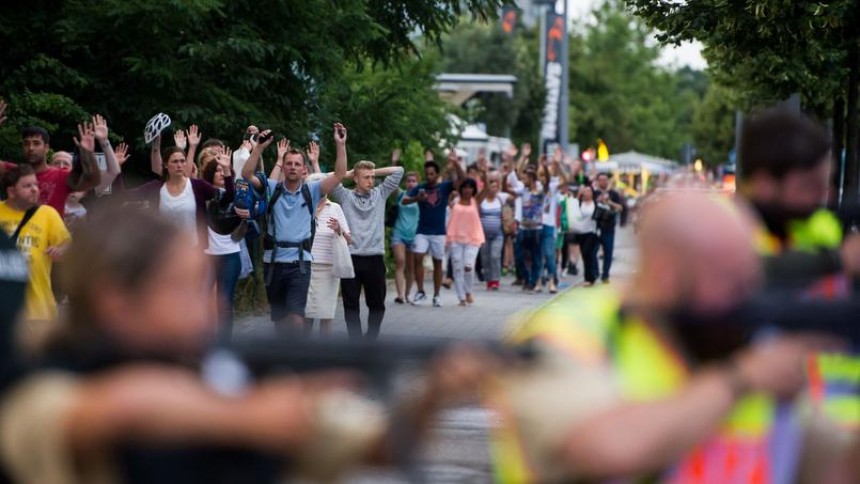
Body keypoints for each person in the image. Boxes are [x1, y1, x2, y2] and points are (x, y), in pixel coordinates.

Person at [0, 206, 490, 484]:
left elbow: (378, 448)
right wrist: (245, 417)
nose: (208, 306)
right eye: (183, 288)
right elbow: (117, 406)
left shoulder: (222, 372)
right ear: (115, 300)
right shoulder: (41, 381)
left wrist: (433, 395)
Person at [489, 192, 847, 483]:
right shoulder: (567, 331)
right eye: (731, 283)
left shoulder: (732, 342)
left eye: (751, 281)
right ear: (665, 274)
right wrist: (740, 379)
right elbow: (601, 448)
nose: (747, 299)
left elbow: (829, 461)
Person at [738, 109, 860, 432]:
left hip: (837, 431)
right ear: (764, 184)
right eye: (810, 186)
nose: (825, 196)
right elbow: (743, 281)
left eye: (827, 183)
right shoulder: (724, 230)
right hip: (759, 430)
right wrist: (836, 261)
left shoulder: (821, 227)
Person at [242, 126, 347, 332]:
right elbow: (246, 174)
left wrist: (340, 144)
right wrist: (259, 149)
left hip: (300, 263)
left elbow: (340, 174)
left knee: (297, 318)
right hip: (273, 262)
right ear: (284, 167)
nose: (292, 167)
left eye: (297, 164)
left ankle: (297, 359)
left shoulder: (312, 191)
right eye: (288, 163)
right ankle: (285, 359)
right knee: (280, 322)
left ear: (303, 169)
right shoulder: (272, 188)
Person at [0, 165, 70, 352]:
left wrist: (62, 250)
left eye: (36, 185)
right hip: (4, 310)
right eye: (27, 186)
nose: (35, 189)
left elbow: (68, 245)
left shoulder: (47, 214)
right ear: (11, 191)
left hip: (39, 310)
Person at [332, 160, 403, 339]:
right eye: (366, 177)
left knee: (377, 304)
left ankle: (371, 339)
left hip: (375, 257)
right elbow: (326, 179)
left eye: (372, 177)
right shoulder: (345, 196)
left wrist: (372, 170)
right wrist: (348, 174)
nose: (371, 181)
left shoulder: (380, 194)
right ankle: (355, 342)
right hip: (351, 258)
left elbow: (399, 171)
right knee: (350, 304)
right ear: (356, 179)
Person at [130, 143, 234, 250]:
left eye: (182, 161)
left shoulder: (198, 186)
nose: (179, 165)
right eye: (175, 161)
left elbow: (228, 197)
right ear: (166, 164)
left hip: (193, 251)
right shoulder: (156, 188)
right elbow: (123, 195)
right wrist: (115, 171)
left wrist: (226, 170)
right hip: (164, 253)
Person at [403, 151, 465, 307]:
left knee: (438, 262)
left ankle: (437, 295)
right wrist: (417, 198)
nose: (429, 176)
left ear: (437, 174)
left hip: (439, 232)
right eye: (427, 173)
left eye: (431, 174)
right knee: (418, 257)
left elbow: (463, 181)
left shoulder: (444, 187)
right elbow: (404, 200)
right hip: (422, 231)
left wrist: (456, 163)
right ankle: (421, 291)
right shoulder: (420, 188)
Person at [200, 152, 242, 340]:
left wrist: (226, 169)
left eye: (222, 171)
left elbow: (231, 192)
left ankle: (224, 344)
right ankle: (204, 340)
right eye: (216, 170)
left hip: (230, 255)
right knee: (202, 300)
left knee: (223, 302)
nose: (219, 173)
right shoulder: (203, 195)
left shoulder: (231, 194)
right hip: (207, 256)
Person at [17, 123, 101, 218]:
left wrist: (88, 153)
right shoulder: (14, 174)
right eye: (26, 143)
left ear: (46, 147)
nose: (31, 148)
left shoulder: (61, 176)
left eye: (36, 143)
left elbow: (93, 181)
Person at [304, 178, 351, 336]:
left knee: (326, 314)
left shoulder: (335, 207)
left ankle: (324, 352)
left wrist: (339, 230)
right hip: (305, 267)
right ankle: (304, 353)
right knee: (306, 314)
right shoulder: (302, 205)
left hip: (328, 269)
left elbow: (349, 240)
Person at [447, 178, 485, 306]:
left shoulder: (475, 201)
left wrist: (485, 174)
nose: (467, 190)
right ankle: (461, 297)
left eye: (470, 187)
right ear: (461, 188)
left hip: (472, 239)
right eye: (465, 187)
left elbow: (486, 190)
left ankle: (468, 291)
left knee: (468, 267)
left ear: (473, 189)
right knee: (457, 268)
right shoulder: (455, 202)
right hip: (456, 238)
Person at [477, 170, 510, 290]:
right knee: (485, 258)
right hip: (484, 235)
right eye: (491, 185)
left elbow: (514, 195)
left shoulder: (501, 198)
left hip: (498, 234)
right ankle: (488, 279)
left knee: (495, 256)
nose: (494, 188)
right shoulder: (482, 200)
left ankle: (495, 280)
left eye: (496, 186)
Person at [391, 171, 420, 304]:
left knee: (411, 267)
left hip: (414, 235)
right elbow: (392, 183)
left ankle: (408, 294)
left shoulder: (421, 196)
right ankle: (400, 295)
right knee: (400, 262)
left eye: (414, 181)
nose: (411, 183)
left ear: (418, 183)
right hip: (399, 233)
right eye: (408, 181)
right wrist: (394, 162)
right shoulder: (401, 194)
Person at [593, 172, 624, 283]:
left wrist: (609, 202)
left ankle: (605, 274)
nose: (603, 182)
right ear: (597, 181)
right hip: (594, 227)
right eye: (601, 180)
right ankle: (595, 272)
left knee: (608, 252)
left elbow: (620, 208)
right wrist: (598, 200)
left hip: (609, 227)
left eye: (605, 180)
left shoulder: (613, 194)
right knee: (592, 252)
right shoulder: (593, 193)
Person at [566, 185, 600, 286]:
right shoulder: (579, 203)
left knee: (587, 252)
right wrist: (577, 196)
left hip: (591, 231)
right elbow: (573, 212)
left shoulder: (595, 204)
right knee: (585, 255)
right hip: (580, 231)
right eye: (585, 191)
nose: (587, 193)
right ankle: (590, 276)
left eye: (589, 191)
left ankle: (589, 277)